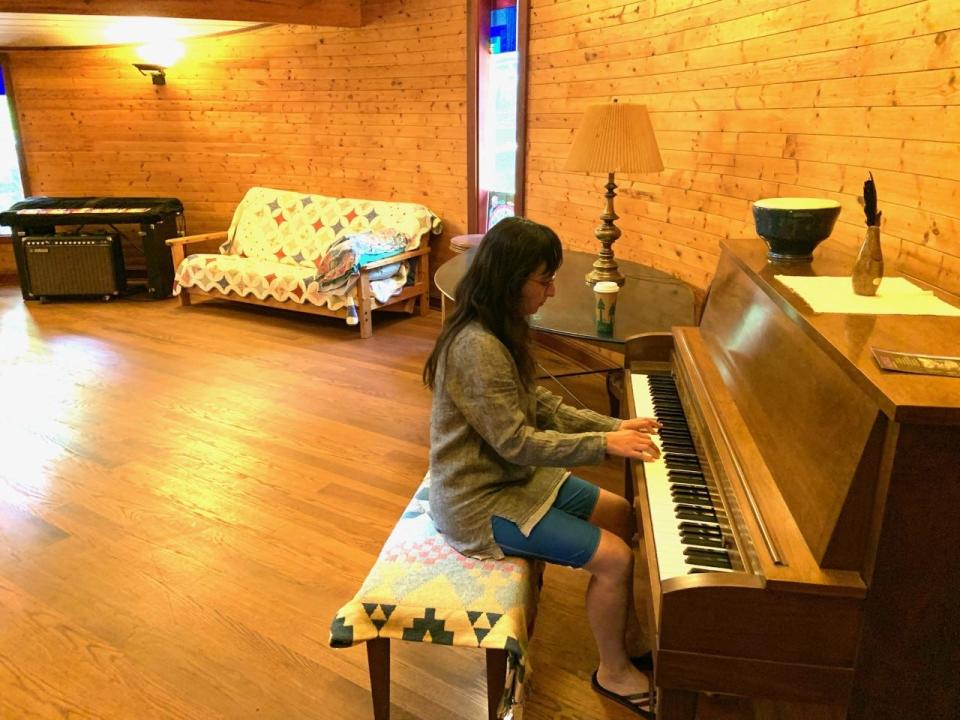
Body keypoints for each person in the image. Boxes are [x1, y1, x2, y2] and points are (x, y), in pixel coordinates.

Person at [423, 217, 662, 718]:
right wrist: (605, 444)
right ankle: (613, 673)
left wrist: (614, 423)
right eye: (543, 279)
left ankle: (630, 634)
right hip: (476, 499)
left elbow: (544, 405)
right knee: (615, 558)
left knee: (619, 513)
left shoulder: (501, 326)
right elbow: (516, 443)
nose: (551, 290)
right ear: (510, 278)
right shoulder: (477, 346)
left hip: (509, 478)